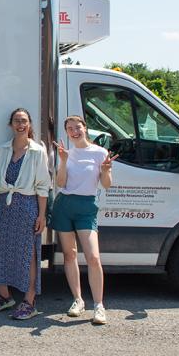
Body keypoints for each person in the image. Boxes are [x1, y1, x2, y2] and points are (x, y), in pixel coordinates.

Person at [0, 108, 50, 320]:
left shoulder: (38, 151)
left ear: (29, 125)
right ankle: (4, 296)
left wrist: (41, 215)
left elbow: (43, 186)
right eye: (17, 121)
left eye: (24, 121)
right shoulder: (1, 149)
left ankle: (29, 301)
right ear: (10, 125)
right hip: (3, 206)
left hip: (27, 206)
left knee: (28, 254)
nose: (20, 124)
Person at [51, 115, 118, 325]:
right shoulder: (65, 153)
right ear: (67, 132)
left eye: (77, 127)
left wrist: (106, 171)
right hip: (64, 206)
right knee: (69, 256)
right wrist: (62, 161)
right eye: (69, 128)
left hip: (86, 207)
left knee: (93, 257)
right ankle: (78, 300)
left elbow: (106, 184)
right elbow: (61, 183)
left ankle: (99, 306)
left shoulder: (99, 152)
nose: (74, 131)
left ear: (85, 128)